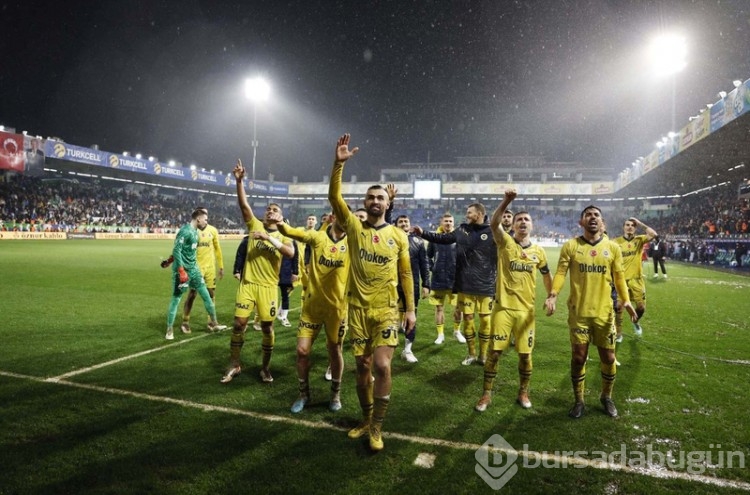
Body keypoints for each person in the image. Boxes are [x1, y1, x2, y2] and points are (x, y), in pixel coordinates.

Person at [329, 133, 415, 452]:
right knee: (363, 367)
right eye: (370, 198)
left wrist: (410, 310)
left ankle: (377, 427)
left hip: (388, 310)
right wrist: (338, 164)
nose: (375, 202)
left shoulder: (398, 236)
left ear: (388, 204)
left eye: (380, 198)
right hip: (357, 311)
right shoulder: (353, 228)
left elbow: (406, 273)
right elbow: (334, 199)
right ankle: (366, 420)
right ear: (365, 203)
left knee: (381, 365)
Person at [545, 205, 637, 419]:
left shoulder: (612, 248)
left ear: (602, 222)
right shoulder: (571, 246)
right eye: (588, 215)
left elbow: (619, 277)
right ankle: (579, 401)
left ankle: (606, 397)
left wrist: (626, 300)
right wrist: (553, 294)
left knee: (609, 357)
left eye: (596, 215)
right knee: (578, 358)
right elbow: (560, 272)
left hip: (605, 314)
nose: (593, 217)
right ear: (581, 222)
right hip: (579, 313)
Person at [475, 188, 552, 412]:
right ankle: (486, 394)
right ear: (514, 225)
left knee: (525, 356)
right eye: (519, 219)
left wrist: (551, 296)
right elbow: (494, 223)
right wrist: (506, 201)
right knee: (495, 353)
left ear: (532, 225)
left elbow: (546, 275)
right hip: (503, 309)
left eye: (527, 220)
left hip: (526, 312)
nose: (523, 222)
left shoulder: (539, 252)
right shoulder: (505, 243)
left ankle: (523, 392)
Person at [221, 159, 295, 384]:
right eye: (268, 209)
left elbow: (290, 253)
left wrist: (268, 238)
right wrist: (240, 181)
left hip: (268, 288)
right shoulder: (255, 225)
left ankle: (264, 367)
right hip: (248, 284)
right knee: (238, 324)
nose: (270, 211)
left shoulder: (284, 234)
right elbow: (244, 206)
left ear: (280, 217)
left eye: (275, 210)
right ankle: (235, 363)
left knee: (267, 327)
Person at [271, 210, 349, 413]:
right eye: (341, 216)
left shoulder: (353, 242)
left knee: (334, 351)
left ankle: (335, 394)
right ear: (333, 218)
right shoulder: (318, 237)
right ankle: (304, 394)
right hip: (312, 307)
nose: (346, 220)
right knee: (302, 351)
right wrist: (280, 224)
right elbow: (292, 233)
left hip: (337, 310)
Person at [413, 203, 497, 366]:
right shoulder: (463, 230)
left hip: (486, 286)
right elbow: (442, 239)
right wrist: (423, 233)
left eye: (469, 212)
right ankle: (472, 354)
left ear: (479, 214)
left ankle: (483, 355)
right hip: (465, 284)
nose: (466, 215)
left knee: (486, 321)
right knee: (468, 319)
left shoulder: (492, 231)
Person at [164, 208, 227, 340]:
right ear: (198, 219)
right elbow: (177, 250)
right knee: (176, 299)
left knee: (207, 296)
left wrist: (169, 260)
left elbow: (185, 250)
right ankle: (169, 329)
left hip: (194, 270)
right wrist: (180, 270)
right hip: (182, 272)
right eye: (205, 219)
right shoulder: (185, 231)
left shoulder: (195, 232)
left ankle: (214, 323)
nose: (206, 221)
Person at [180, 207, 224, 334]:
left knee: (211, 294)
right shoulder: (191, 231)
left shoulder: (213, 230)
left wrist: (221, 266)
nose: (206, 217)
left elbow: (217, 249)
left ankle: (211, 322)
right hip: (196, 268)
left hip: (210, 268)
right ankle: (185, 321)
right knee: (192, 295)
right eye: (204, 215)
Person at [612, 217, 657, 340]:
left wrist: (640, 223)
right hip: (621, 280)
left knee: (641, 308)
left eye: (632, 225)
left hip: (637, 280)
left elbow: (654, 234)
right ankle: (619, 334)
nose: (630, 227)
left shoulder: (640, 240)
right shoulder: (615, 242)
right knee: (618, 308)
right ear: (623, 227)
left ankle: (635, 322)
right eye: (627, 224)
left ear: (635, 227)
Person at [395, 214, 429, 363]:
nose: (403, 223)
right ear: (395, 225)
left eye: (405, 221)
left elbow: (424, 264)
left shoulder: (418, 241)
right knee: (388, 314)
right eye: (400, 222)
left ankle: (407, 349)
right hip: (391, 284)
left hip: (412, 285)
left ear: (410, 224)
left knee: (411, 315)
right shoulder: (390, 240)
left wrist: (426, 284)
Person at [426, 213, 464, 345]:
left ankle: (457, 331)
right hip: (438, 279)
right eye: (446, 221)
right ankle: (440, 334)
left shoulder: (459, 238)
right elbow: (427, 256)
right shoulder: (434, 238)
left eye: (450, 221)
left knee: (459, 308)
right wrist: (433, 268)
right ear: (441, 223)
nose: (448, 223)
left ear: (453, 223)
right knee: (439, 308)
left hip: (455, 280)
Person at [277, 226, 299, 327]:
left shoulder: (292, 241)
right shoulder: (274, 238)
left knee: (285, 295)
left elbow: (296, 257)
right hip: (270, 272)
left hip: (285, 272)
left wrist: (295, 272)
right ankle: (263, 316)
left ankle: (284, 316)